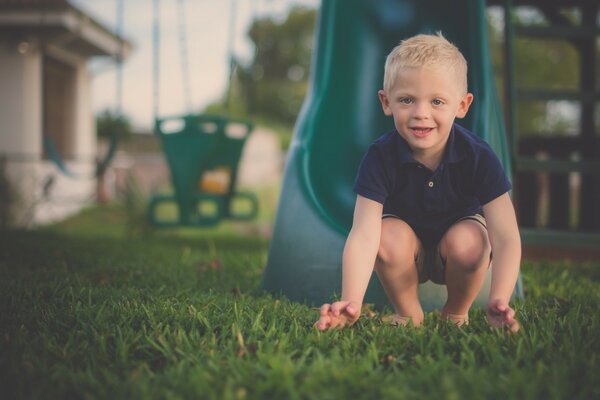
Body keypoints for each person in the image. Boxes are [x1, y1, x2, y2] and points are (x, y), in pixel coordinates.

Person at [315, 32, 521, 333]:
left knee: (474, 240)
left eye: (437, 101)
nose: (421, 114)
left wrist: (499, 298)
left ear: (462, 106)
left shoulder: (478, 156)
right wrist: (351, 302)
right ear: (387, 102)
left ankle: (455, 313)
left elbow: (505, 237)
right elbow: (363, 235)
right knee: (384, 234)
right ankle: (409, 313)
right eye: (407, 100)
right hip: (405, 251)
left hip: (455, 252)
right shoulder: (380, 156)